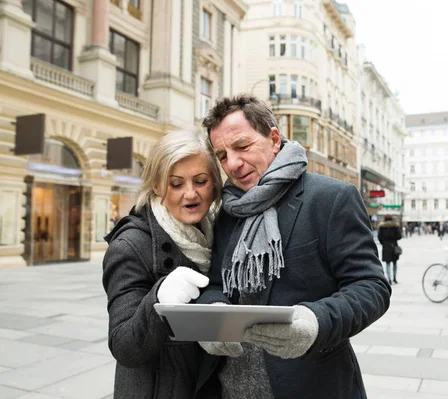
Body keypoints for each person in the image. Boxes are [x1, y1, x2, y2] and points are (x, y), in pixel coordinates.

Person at [197, 94, 391, 398]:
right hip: (229, 389)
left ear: (274, 138)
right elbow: (216, 283)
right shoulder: (227, 210)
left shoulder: (330, 198)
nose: (232, 164)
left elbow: (371, 287)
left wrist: (315, 322)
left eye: (242, 146)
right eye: (222, 155)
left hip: (311, 384)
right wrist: (213, 312)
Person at [102, 130, 223, 398]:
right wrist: (159, 300)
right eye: (176, 184)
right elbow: (123, 346)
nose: (190, 194)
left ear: (214, 183)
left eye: (200, 181)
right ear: (156, 186)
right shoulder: (131, 246)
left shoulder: (218, 233)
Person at [378, 214, 402, 284]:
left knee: (388, 263)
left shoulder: (382, 226)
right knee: (395, 263)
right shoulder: (395, 225)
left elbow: (379, 237)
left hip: (386, 247)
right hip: (394, 245)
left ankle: (389, 279)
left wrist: (384, 243)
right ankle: (394, 278)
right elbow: (399, 236)